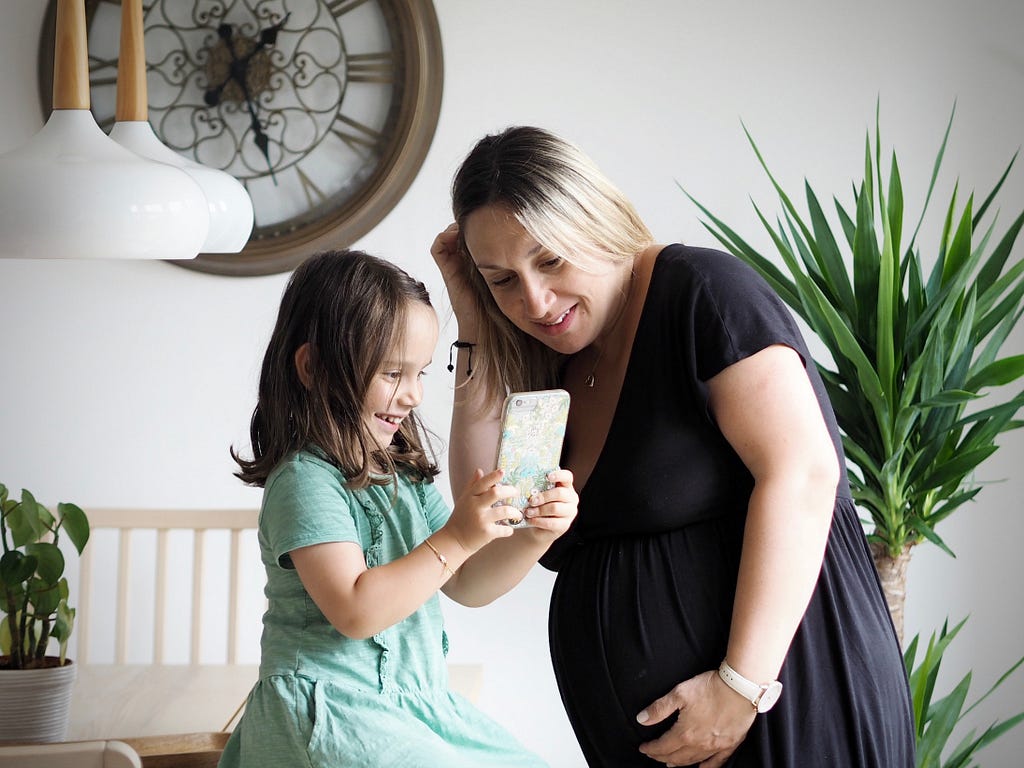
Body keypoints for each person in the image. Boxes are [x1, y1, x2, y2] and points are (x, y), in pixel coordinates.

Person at [430, 126, 916, 767]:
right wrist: (473, 325)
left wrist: (741, 687)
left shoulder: (700, 293)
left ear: (593, 221)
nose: (535, 301)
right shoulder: (553, 362)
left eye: (550, 260)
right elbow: (478, 545)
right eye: (501, 280)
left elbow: (801, 473)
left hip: (779, 703)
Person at [219, 250, 577, 768]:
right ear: (314, 368)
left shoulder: (401, 476)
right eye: (392, 373)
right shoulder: (305, 481)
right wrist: (455, 538)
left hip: (415, 705)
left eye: (421, 372)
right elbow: (356, 610)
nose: (413, 395)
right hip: (330, 708)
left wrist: (533, 535)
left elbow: (466, 584)